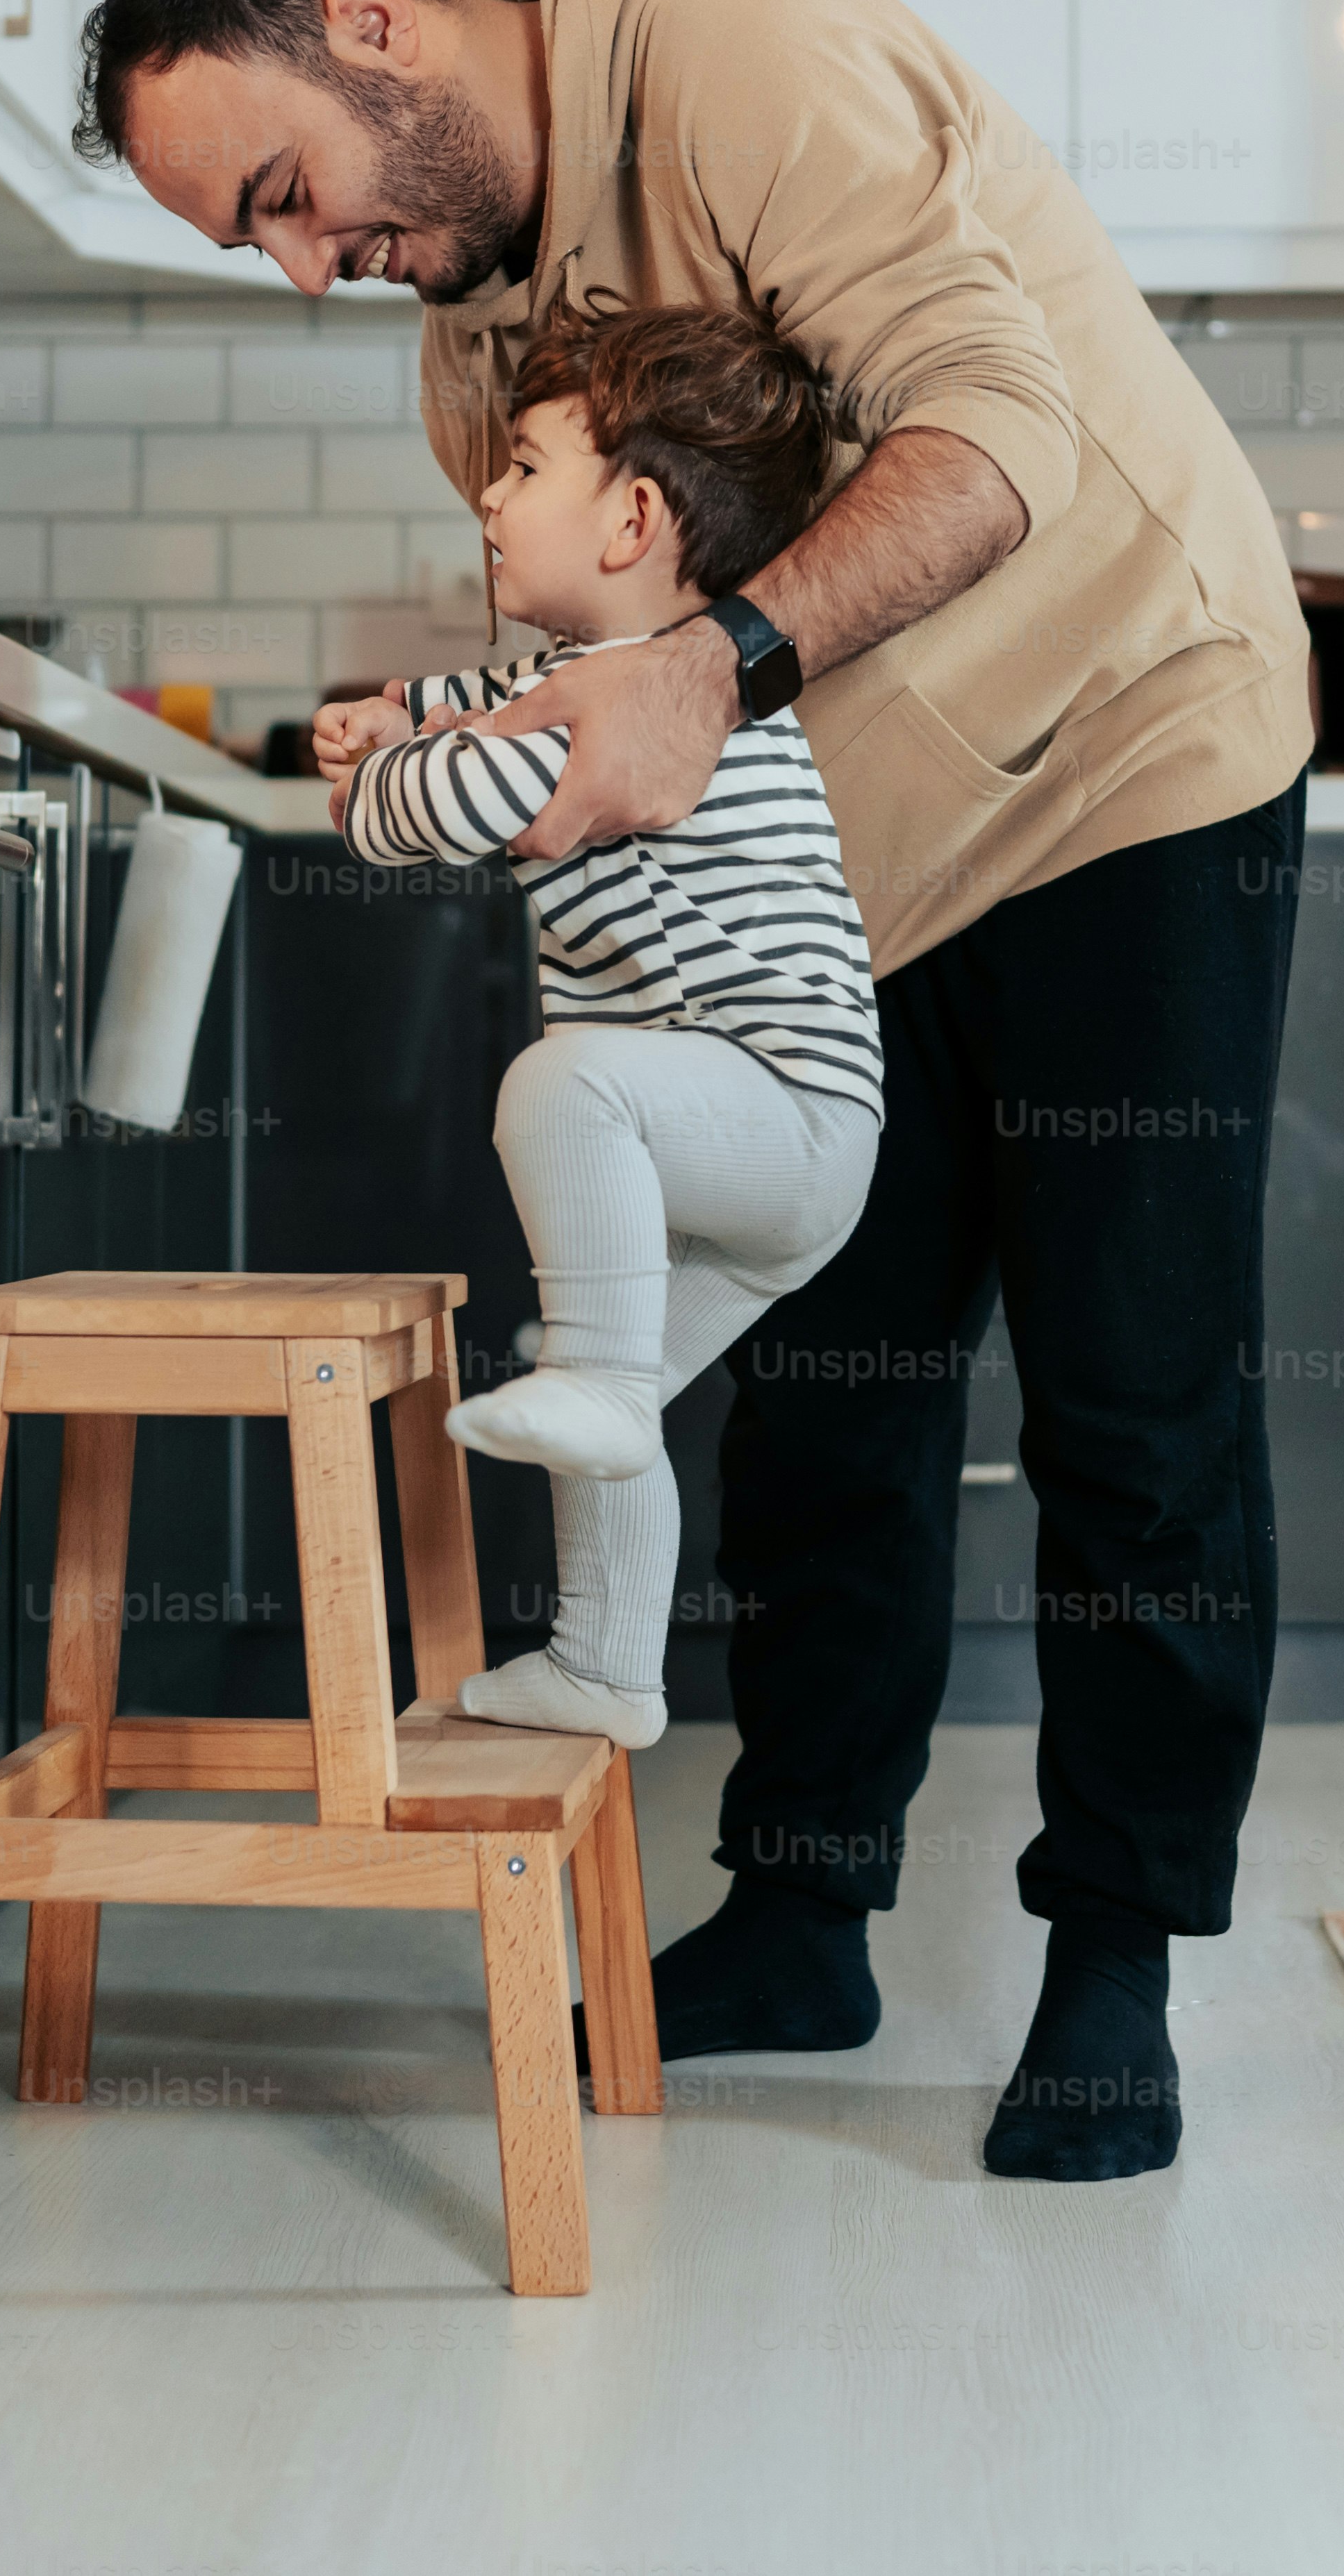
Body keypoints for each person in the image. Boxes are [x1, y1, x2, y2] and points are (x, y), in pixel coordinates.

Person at [76, 0, 1313, 2182]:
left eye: (279, 194)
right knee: (829, 1392)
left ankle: (1114, 1959)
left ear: (369, 28)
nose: (295, 261)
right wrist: (456, 755)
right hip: (849, 857)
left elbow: (996, 414)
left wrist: (702, 672)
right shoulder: (468, 342)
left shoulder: (745, 56)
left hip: (1126, 742)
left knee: (1136, 1395)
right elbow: (608, 682)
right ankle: (804, 1909)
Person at [322, 303, 882, 1755]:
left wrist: (375, 774)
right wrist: (389, 713)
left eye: (517, 464)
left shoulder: (648, 707)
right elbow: (451, 710)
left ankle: (601, 1395)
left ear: (632, 517)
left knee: (560, 1096)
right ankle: (603, 1664)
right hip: (753, 1146)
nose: (487, 495)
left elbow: (426, 809)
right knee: (595, 1361)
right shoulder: (561, 686)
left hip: (782, 1119)